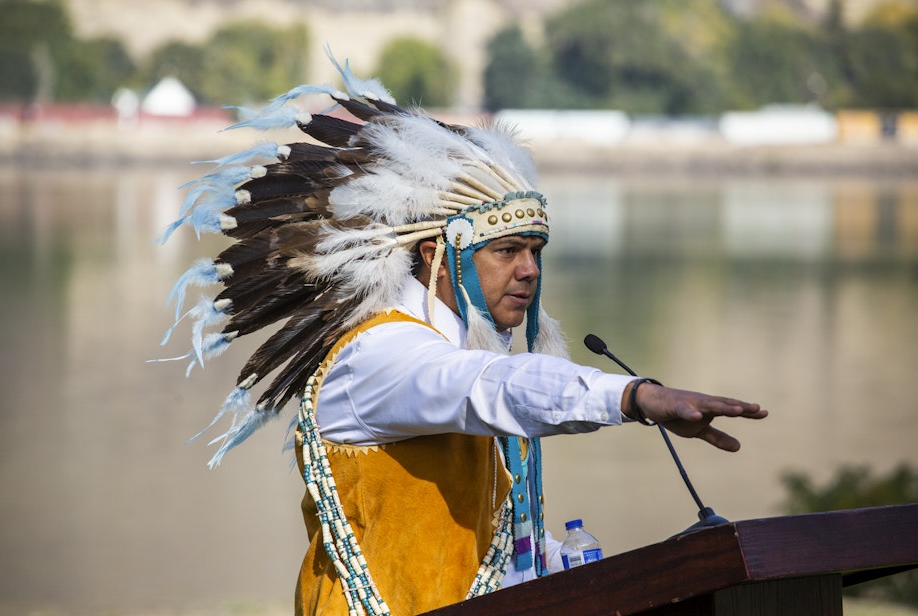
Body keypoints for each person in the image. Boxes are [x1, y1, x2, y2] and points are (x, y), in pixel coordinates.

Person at [159, 51, 766, 616]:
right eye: (506, 251)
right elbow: (489, 385)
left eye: (536, 251)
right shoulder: (378, 355)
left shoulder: (456, 355)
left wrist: (569, 564)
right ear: (434, 256)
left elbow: (485, 548)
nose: (529, 269)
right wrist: (632, 396)